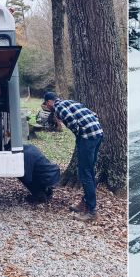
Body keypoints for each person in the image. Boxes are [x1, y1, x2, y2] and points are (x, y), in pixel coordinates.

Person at [42, 91, 103, 221]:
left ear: (48, 102)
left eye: (46, 105)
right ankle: (85, 202)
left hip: (87, 138)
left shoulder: (58, 108)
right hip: (98, 133)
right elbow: (94, 115)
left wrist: (79, 138)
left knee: (84, 173)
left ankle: (92, 211)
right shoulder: (70, 102)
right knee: (89, 170)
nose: (47, 108)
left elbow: (74, 125)